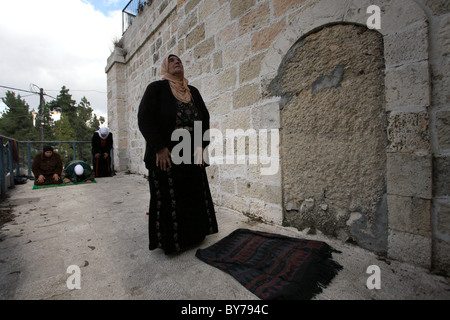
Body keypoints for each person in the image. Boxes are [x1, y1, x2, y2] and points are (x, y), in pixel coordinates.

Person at [138, 54, 218, 255]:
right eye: (171, 60)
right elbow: (144, 118)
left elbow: (204, 119)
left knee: (192, 193)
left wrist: (201, 147)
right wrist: (159, 148)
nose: (176, 62)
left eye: (179, 60)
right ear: (165, 67)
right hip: (166, 153)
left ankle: (195, 236)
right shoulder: (156, 89)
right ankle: (172, 242)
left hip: (191, 151)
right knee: (170, 196)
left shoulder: (193, 92)